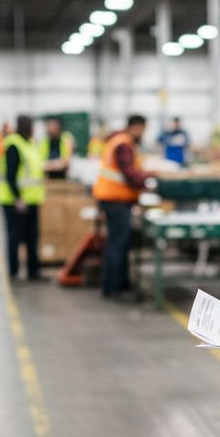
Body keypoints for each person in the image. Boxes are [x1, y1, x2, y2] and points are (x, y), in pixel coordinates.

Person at [92, 115, 151, 299]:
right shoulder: (123, 144)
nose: (143, 134)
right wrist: (150, 177)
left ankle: (119, 285)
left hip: (115, 199)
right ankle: (113, 289)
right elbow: (129, 174)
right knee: (117, 244)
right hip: (115, 200)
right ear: (134, 127)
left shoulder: (120, 141)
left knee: (120, 244)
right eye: (142, 129)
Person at [0, 116, 45, 281]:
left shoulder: (29, 144)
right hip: (14, 202)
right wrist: (18, 198)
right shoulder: (13, 145)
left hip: (32, 199)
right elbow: (10, 175)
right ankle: (14, 272)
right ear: (26, 127)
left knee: (32, 237)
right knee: (14, 237)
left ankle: (33, 271)